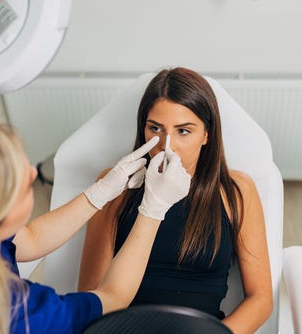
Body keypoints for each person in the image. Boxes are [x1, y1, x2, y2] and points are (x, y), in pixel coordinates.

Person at [0, 114, 191, 334]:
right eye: (23, 182)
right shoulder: (24, 313)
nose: (33, 172)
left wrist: (98, 194)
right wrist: (153, 209)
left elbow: (31, 239)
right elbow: (112, 299)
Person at [78, 67, 273, 334]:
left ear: (207, 134)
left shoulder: (236, 191)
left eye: (183, 131)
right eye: (155, 128)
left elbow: (261, 299)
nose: (166, 145)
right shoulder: (116, 186)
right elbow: (92, 295)